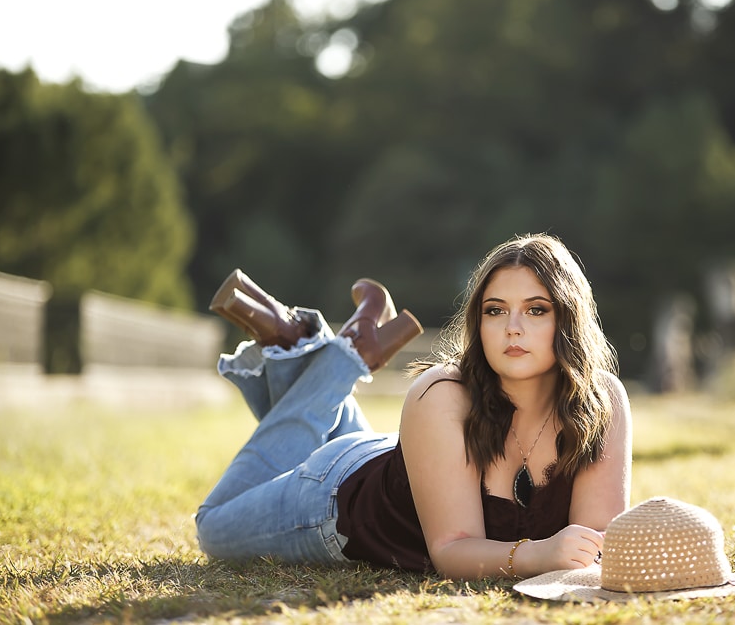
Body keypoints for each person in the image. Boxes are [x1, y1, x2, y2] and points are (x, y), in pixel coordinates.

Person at [195, 233, 632, 580]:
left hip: (411, 459)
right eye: (495, 311)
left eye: (536, 310)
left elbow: (594, 544)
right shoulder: (440, 393)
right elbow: (451, 552)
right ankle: (342, 359)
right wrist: (539, 553)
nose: (512, 329)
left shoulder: (602, 401)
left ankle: (294, 339)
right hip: (332, 496)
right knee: (212, 527)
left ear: (569, 318)